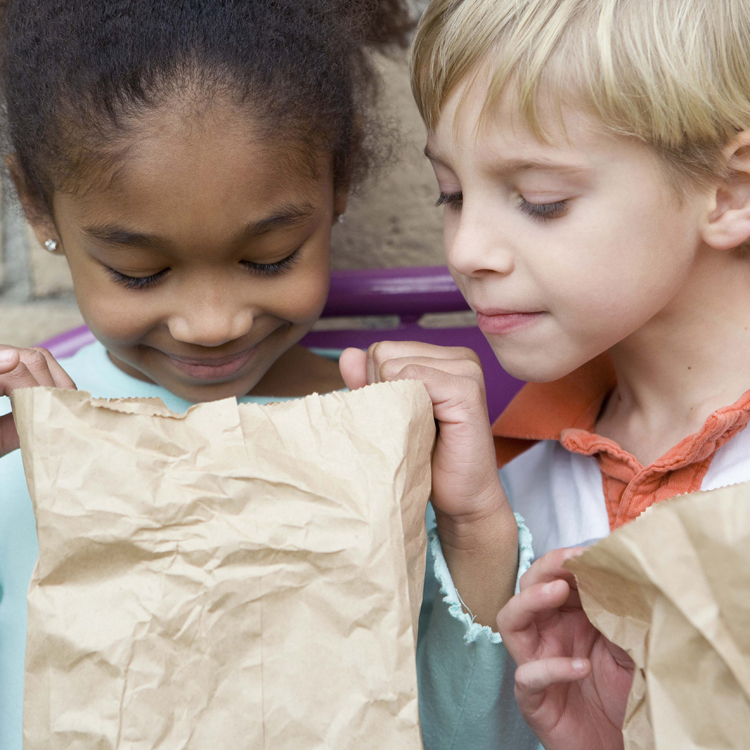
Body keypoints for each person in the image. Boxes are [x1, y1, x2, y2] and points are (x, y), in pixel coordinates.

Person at [0, 2, 526, 748]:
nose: (211, 322)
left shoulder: (389, 439)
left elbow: (475, 733)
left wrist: (473, 524)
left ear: (338, 183)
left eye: (270, 257)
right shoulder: (17, 452)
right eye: (139, 273)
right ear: (35, 205)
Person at [400, 0, 750, 747]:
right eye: (451, 194)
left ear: (731, 192)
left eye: (540, 202)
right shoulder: (508, 474)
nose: (466, 250)